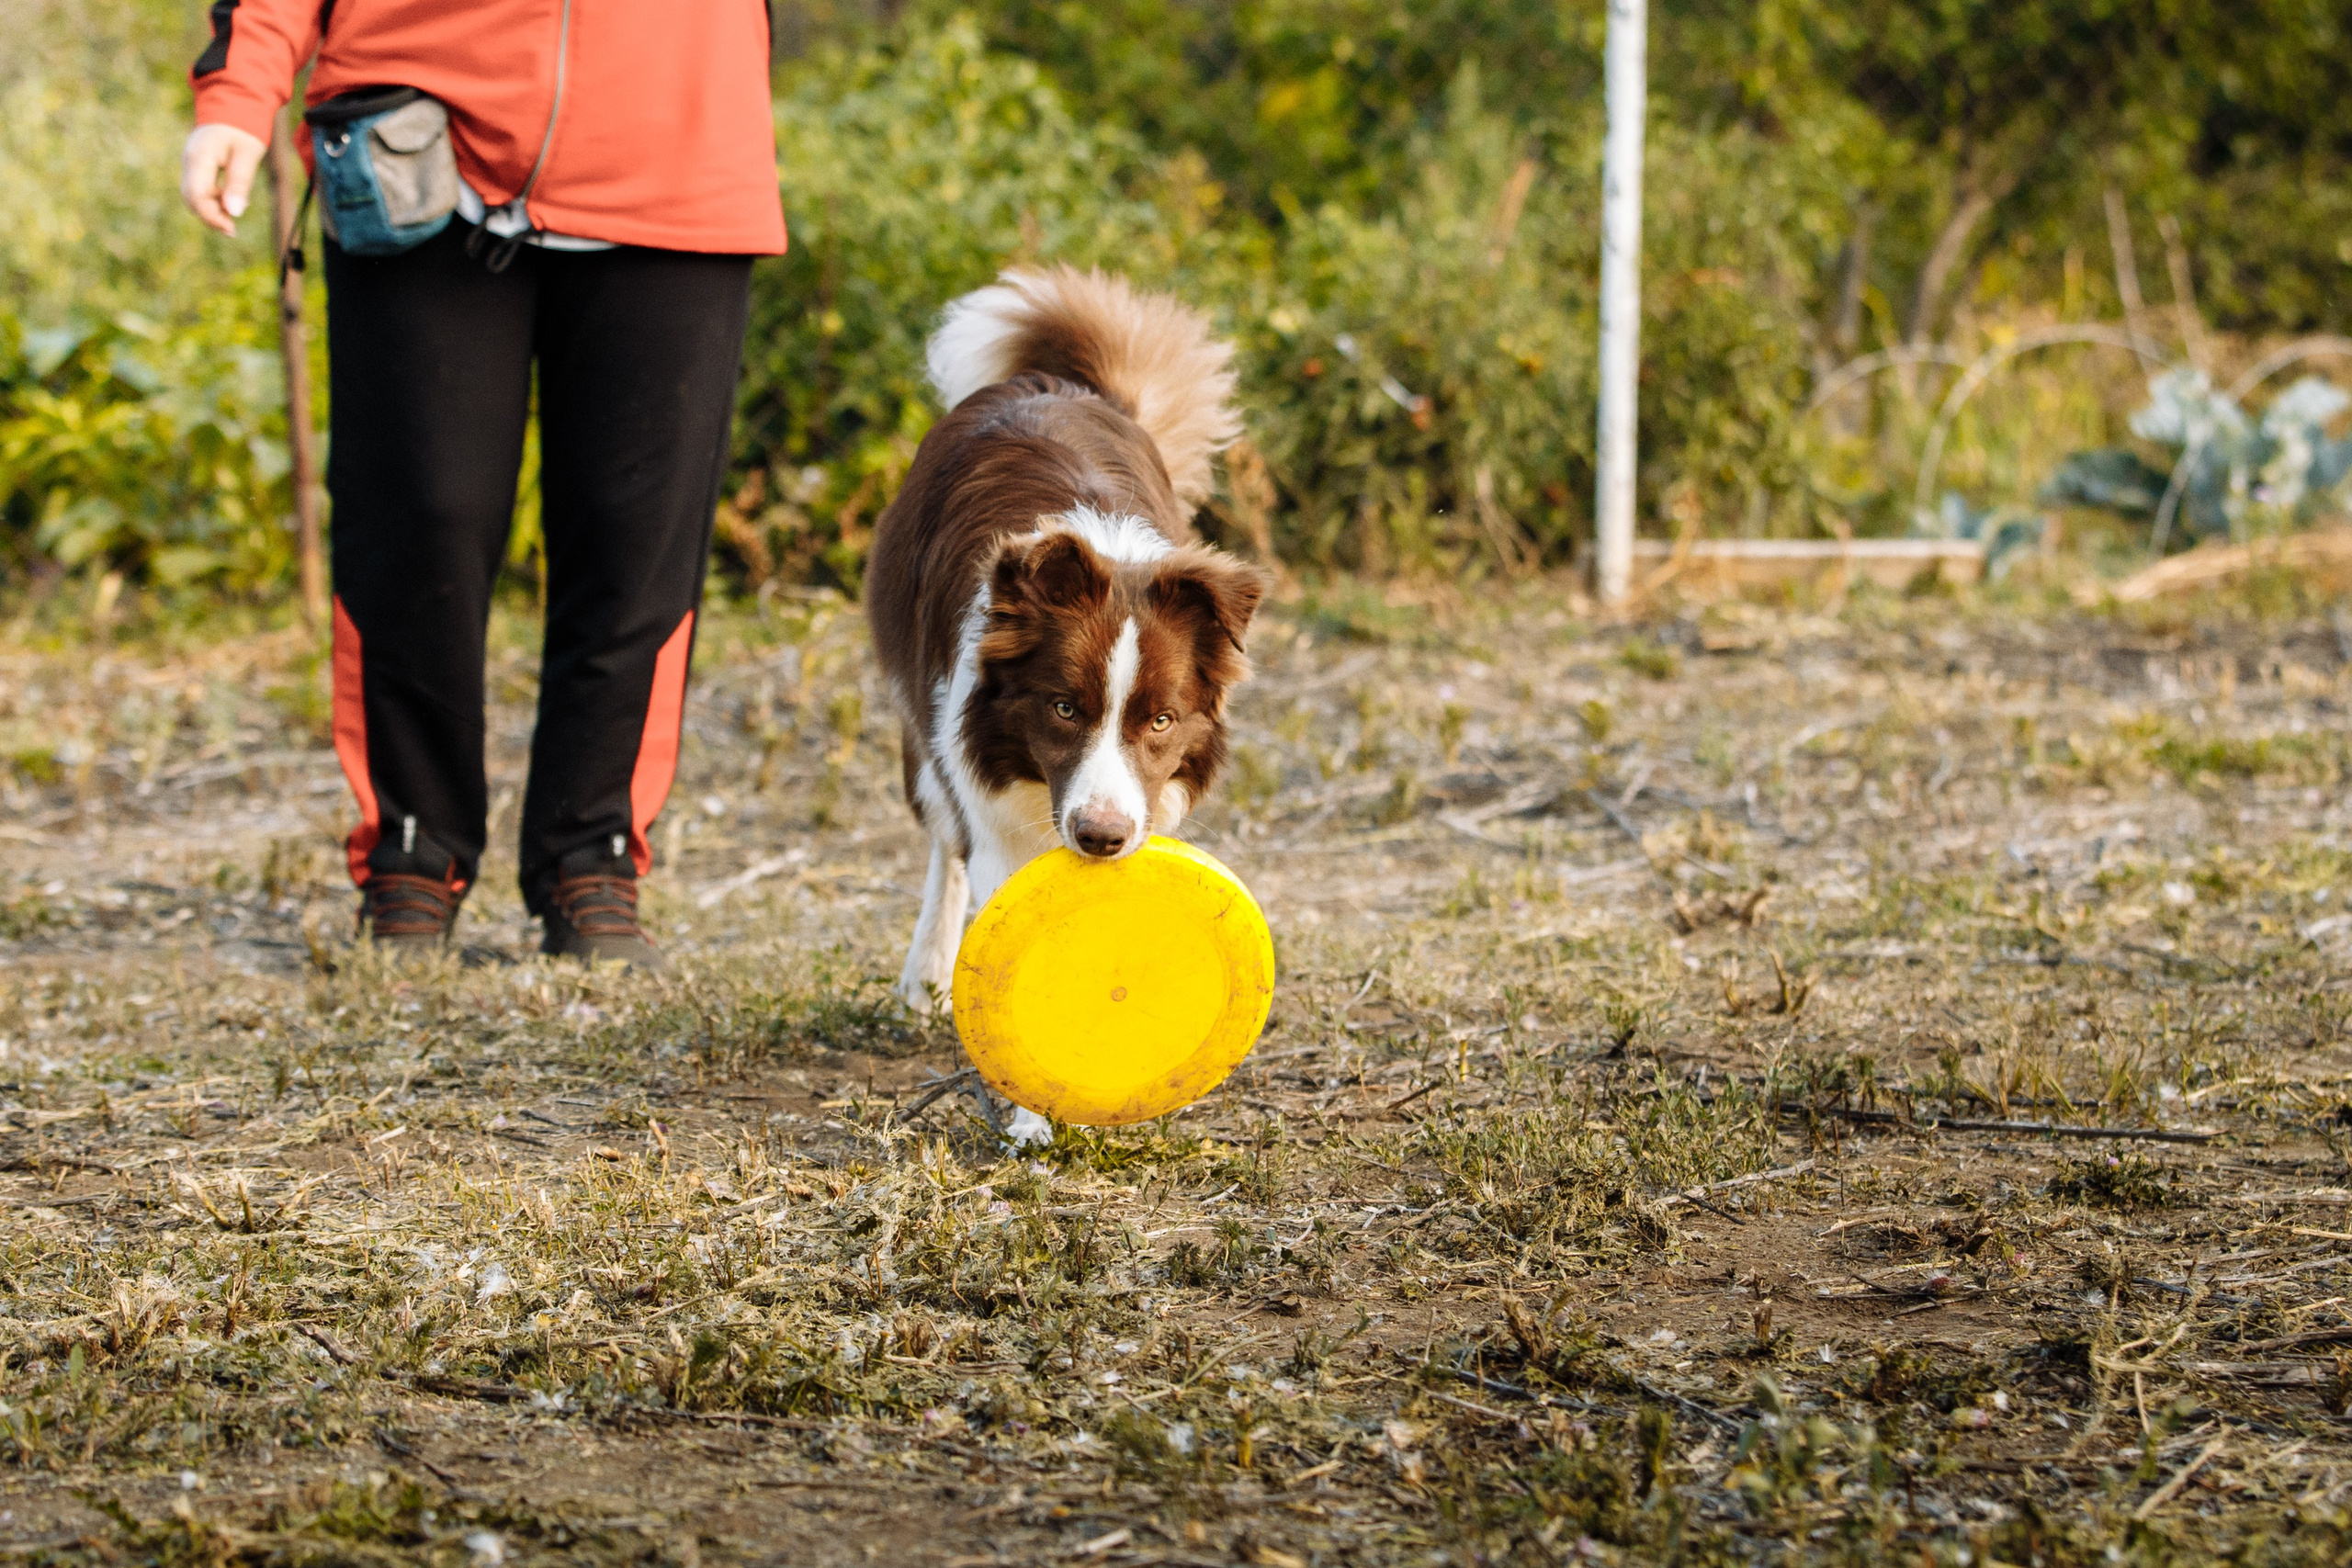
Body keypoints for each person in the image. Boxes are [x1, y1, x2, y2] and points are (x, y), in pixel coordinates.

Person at [179, 1, 786, 969]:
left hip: (676, 150)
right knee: (419, 523)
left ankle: (593, 857)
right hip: (417, 141)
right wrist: (241, 90)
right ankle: (412, 852)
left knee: (638, 542)